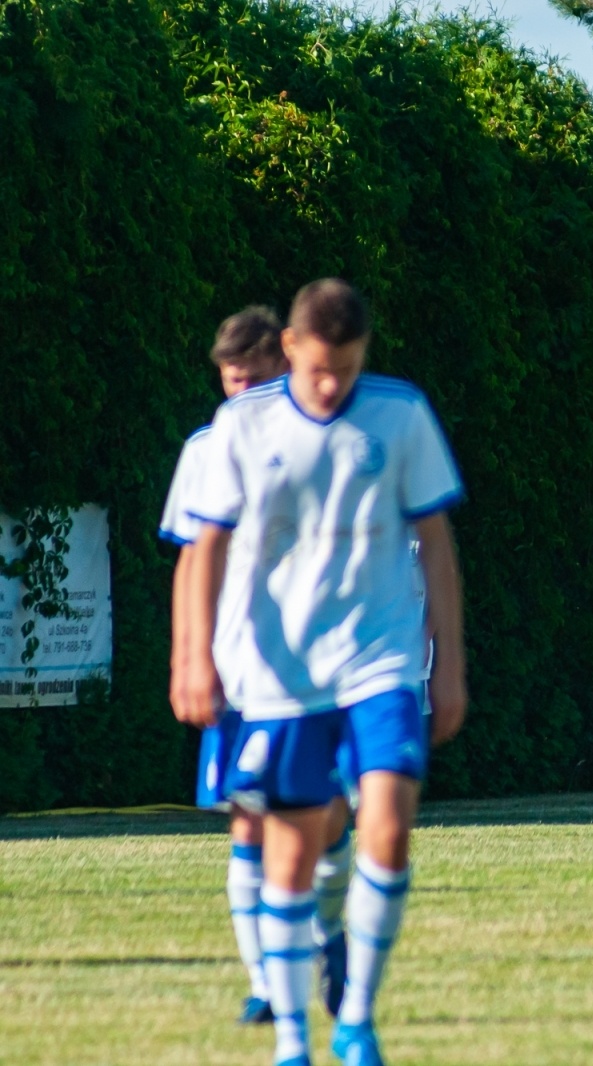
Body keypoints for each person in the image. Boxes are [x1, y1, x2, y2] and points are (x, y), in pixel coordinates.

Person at [174, 279, 467, 1066]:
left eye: (347, 367)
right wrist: (193, 655)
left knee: (389, 828)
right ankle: (294, 1040)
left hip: (379, 662)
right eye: (318, 369)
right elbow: (203, 550)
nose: (332, 385)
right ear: (292, 349)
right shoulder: (240, 428)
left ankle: (358, 1022)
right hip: (281, 677)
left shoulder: (400, 415)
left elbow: (435, 539)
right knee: (295, 853)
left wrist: (450, 668)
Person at [160, 307, 353, 1026]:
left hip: (321, 661)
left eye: (255, 381)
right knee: (247, 816)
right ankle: (269, 986)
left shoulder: (330, 439)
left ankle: (329, 931)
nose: (243, 398)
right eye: (230, 383)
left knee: (326, 814)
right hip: (243, 665)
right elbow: (191, 558)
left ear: (286, 365)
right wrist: (191, 655)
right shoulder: (208, 448)